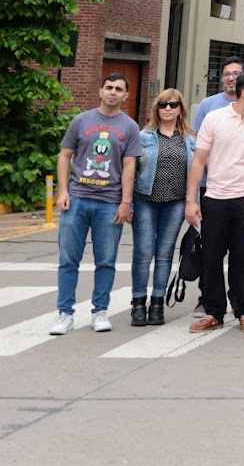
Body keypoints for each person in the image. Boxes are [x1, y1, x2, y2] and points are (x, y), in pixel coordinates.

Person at [50, 74, 141, 336]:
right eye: (109, 88)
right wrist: (63, 191)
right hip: (77, 199)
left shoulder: (129, 127)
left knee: (106, 261)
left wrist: (126, 202)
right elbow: (65, 155)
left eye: (119, 89)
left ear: (126, 95)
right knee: (68, 260)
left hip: (109, 203)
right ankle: (65, 314)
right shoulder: (81, 120)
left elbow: (129, 166)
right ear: (100, 91)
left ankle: (100, 311)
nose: (113, 92)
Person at [186, 73, 244, 333]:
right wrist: (191, 200)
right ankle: (214, 312)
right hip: (215, 199)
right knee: (211, 258)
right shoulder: (214, 119)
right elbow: (199, 161)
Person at [130, 89, 194, 327]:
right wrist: (125, 201)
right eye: (163, 105)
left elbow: (198, 174)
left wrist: (192, 202)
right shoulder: (143, 136)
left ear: (180, 110)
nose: (168, 109)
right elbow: (130, 170)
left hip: (175, 202)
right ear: (156, 108)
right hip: (145, 200)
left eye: (173, 105)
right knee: (144, 252)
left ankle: (157, 303)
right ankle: (138, 303)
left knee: (165, 253)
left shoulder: (190, 140)